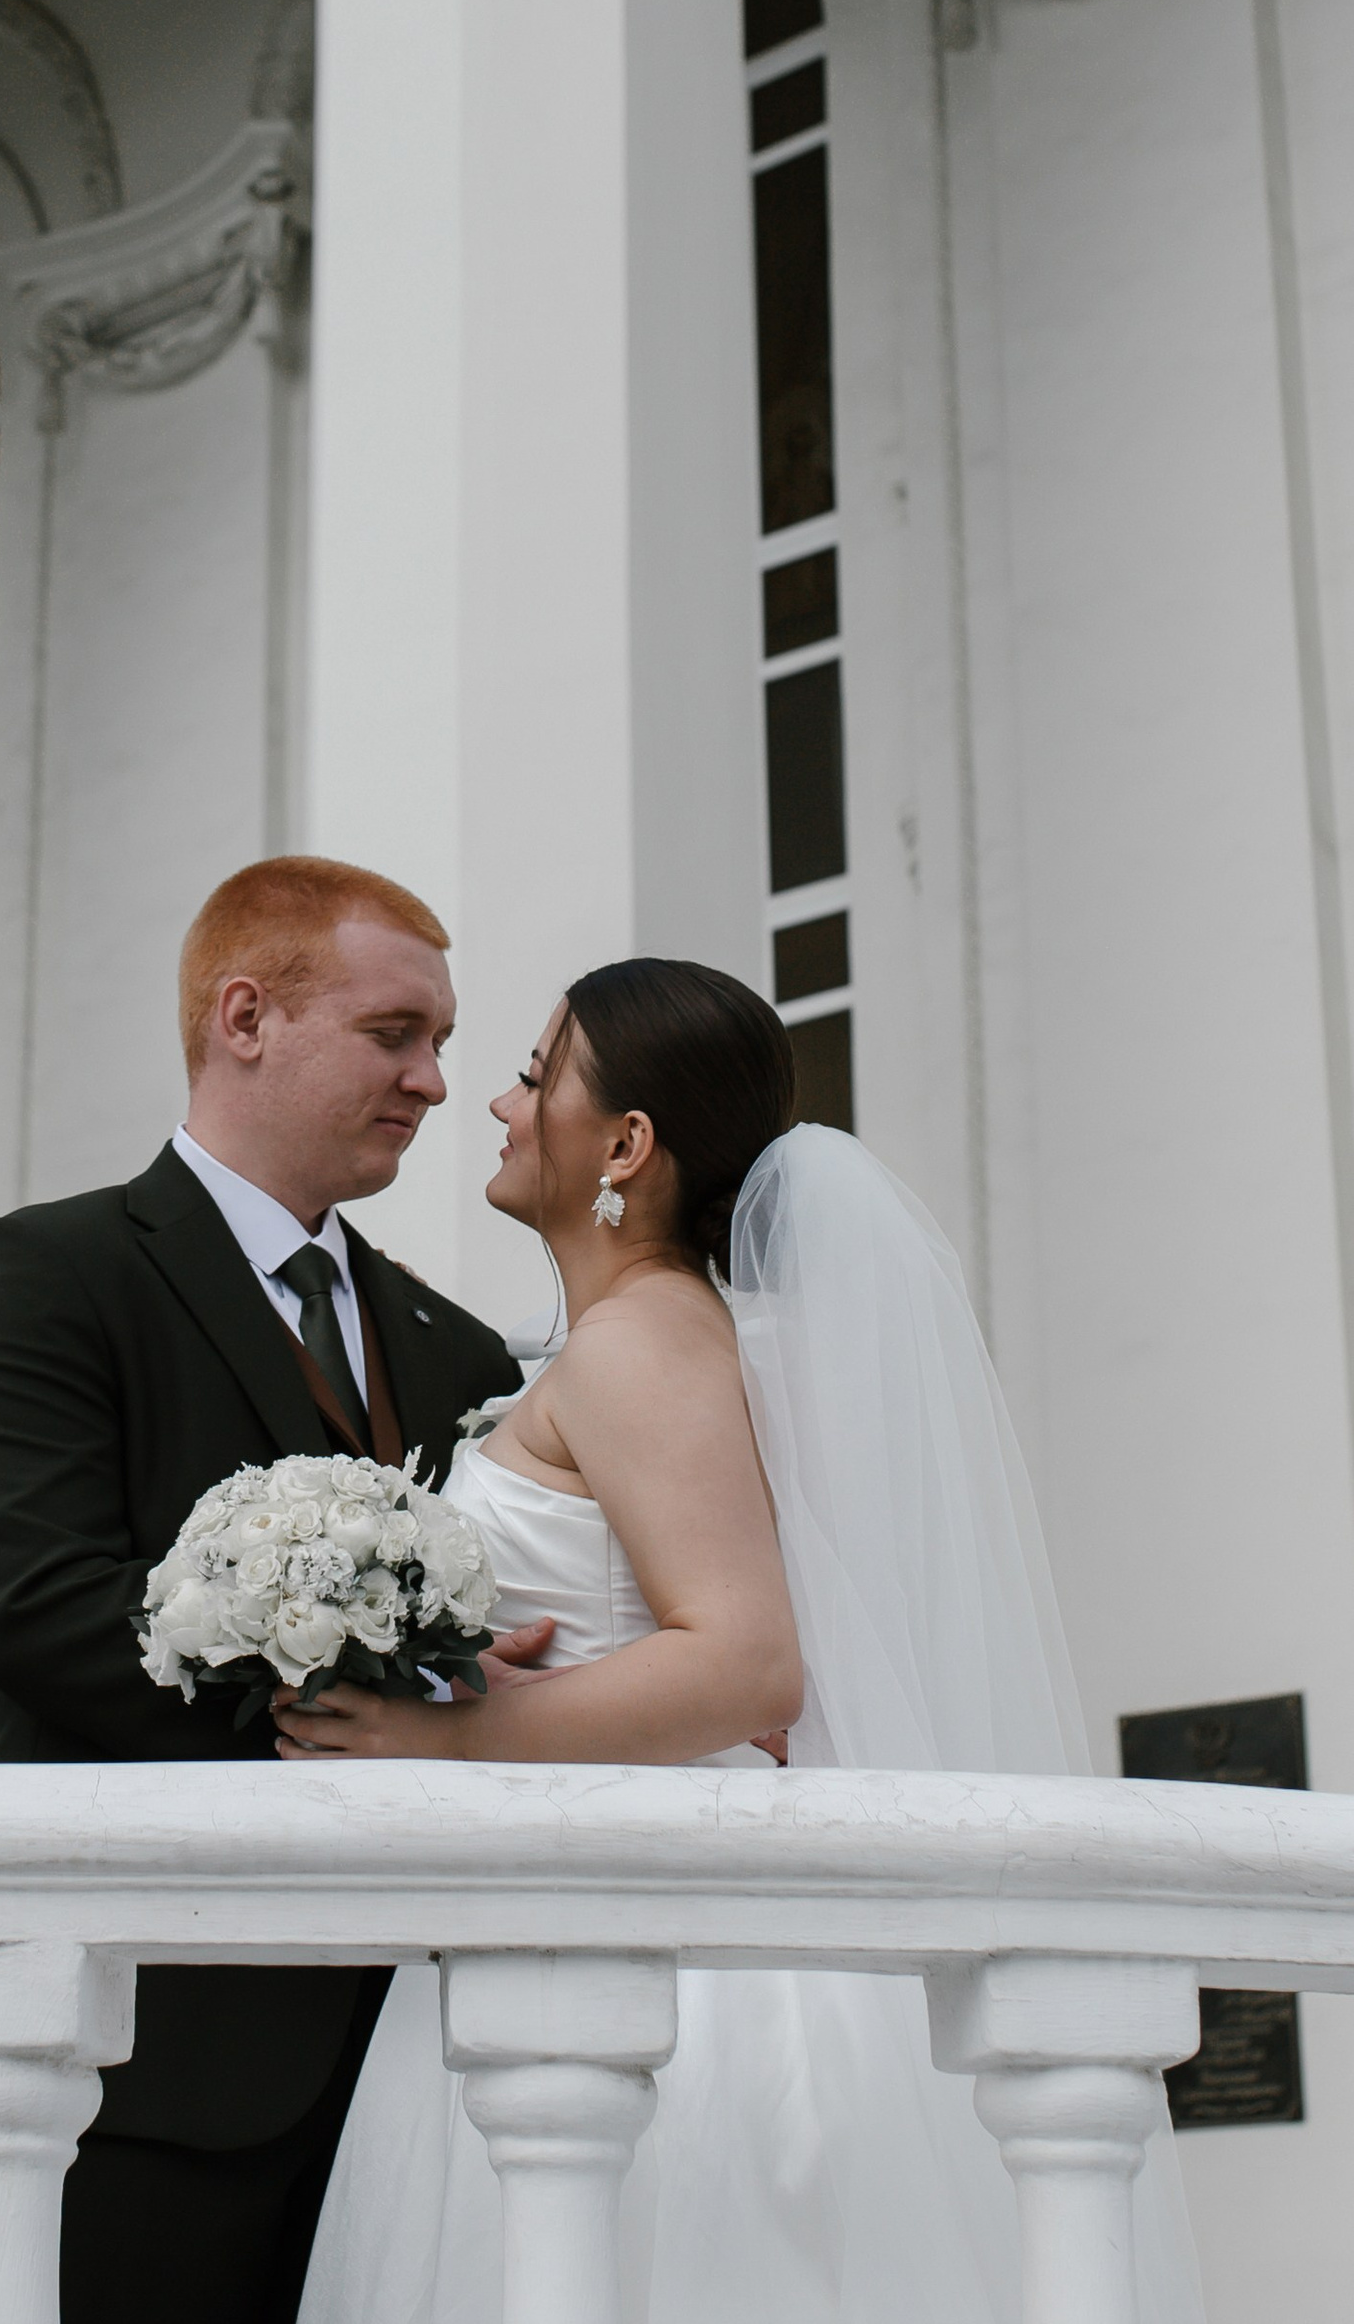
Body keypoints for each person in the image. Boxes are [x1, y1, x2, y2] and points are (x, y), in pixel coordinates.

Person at [280, 957, 1203, 2324]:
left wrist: (453, 1732)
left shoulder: (638, 1345)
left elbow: (746, 1665)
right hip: (587, 1913)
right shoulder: (645, 1338)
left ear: (627, 1145)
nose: (498, 1101)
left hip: (673, 1973)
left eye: (537, 1077)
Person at [0, 856, 528, 2324]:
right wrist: (357, 1718)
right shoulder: (46, 1277)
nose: (435, 1081)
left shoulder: (460, 1355)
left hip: (431, 2083)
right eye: (397, 1035)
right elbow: (33, 1605)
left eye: (442, 1043)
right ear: (246, 1017)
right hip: (147, 2055)